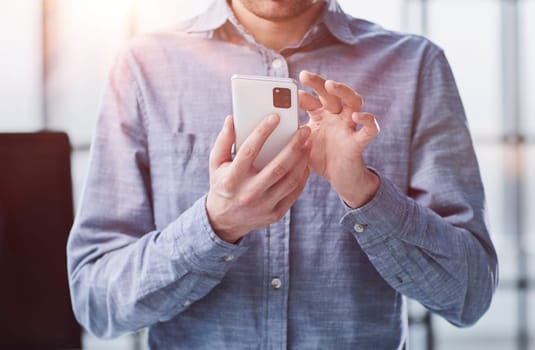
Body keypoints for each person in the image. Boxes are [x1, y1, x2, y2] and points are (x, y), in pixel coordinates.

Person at [67, 0, 499, 348]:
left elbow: (469, 297)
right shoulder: (144, 66)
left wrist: (364, 193)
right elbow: (96, 302)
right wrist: (215, 226)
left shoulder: (415, 65)